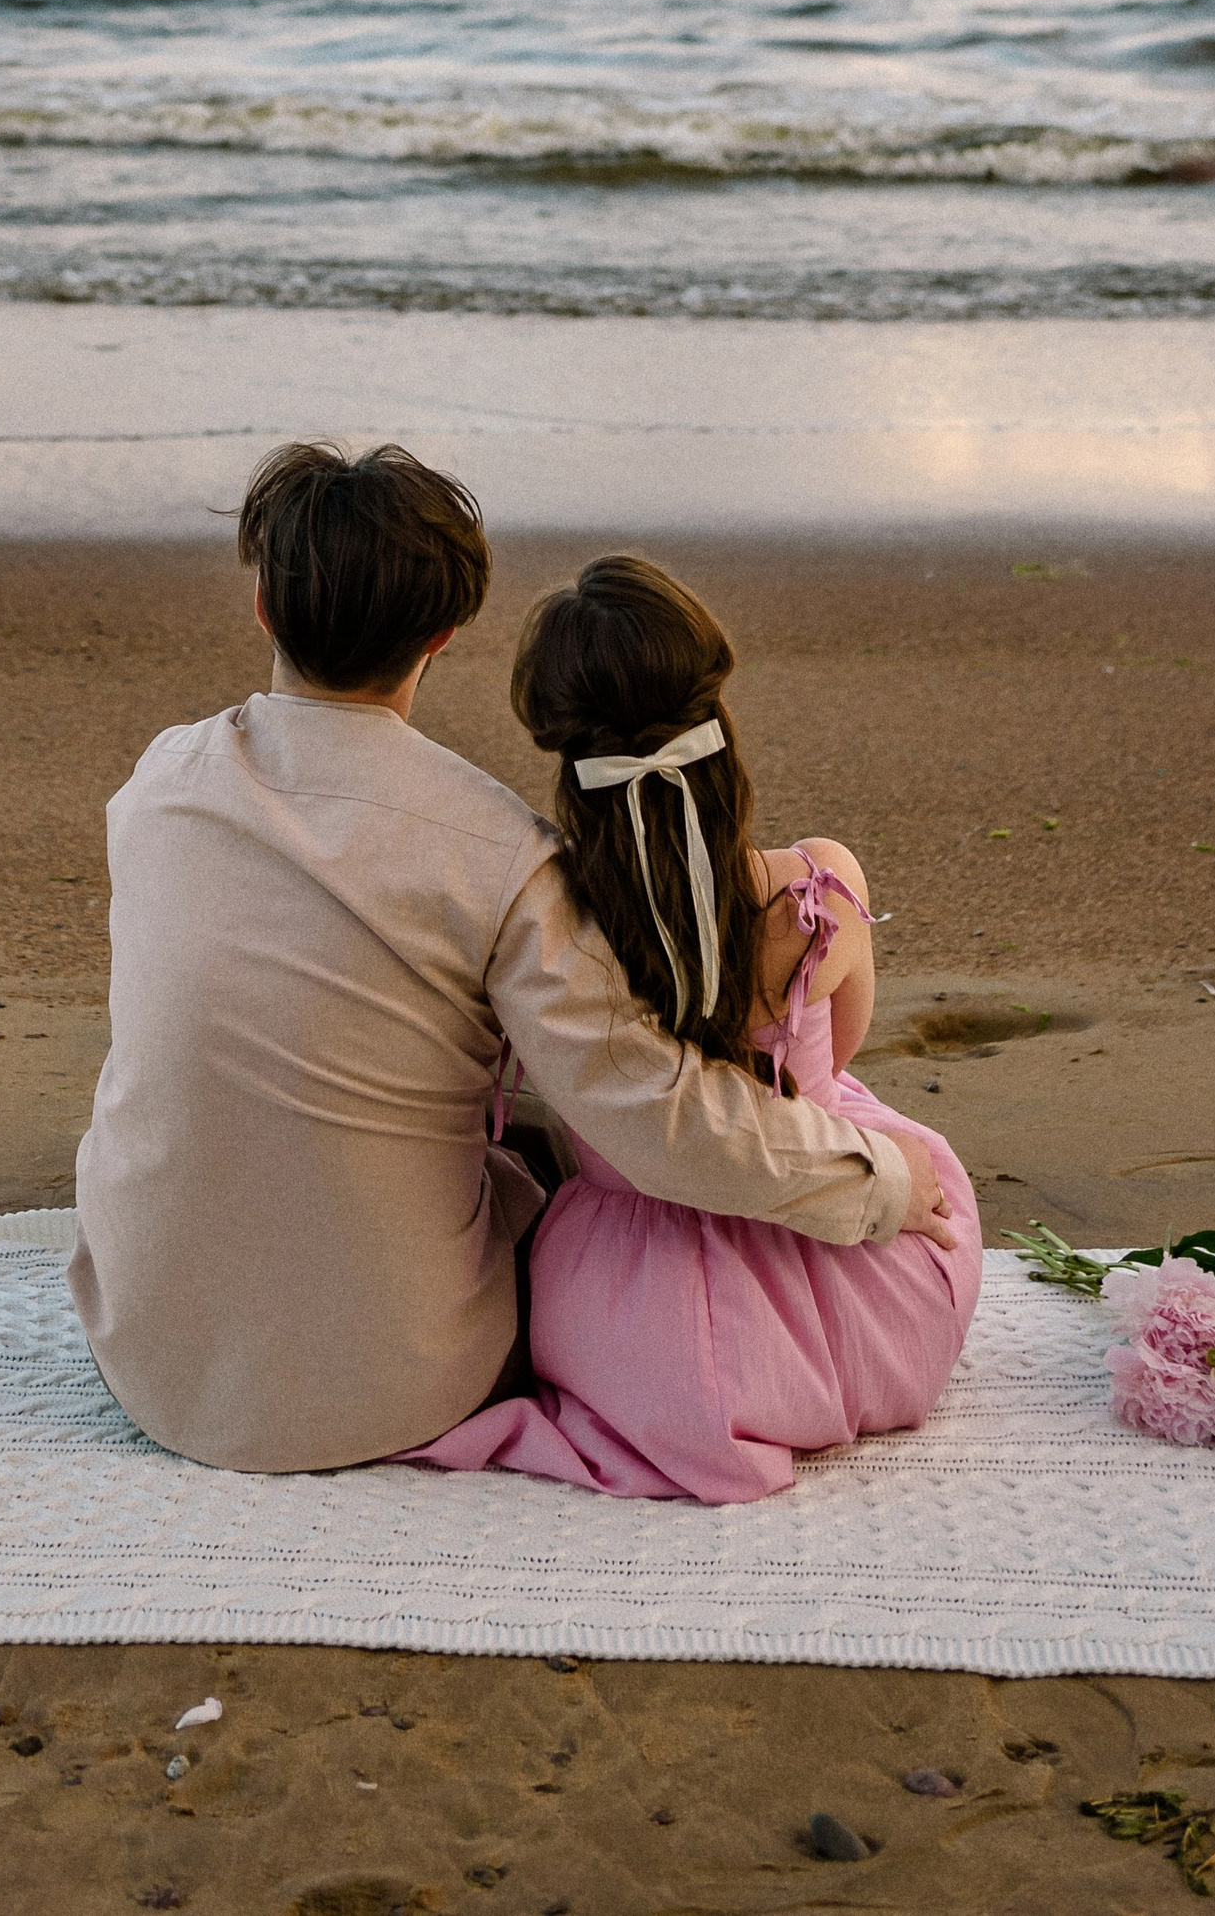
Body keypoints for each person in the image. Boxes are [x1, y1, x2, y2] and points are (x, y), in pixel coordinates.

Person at [68, 443, 958, 1474]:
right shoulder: (500, 853)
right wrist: (879, 1179)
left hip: (146, 1358)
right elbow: (657, 1114)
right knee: (546, 1162)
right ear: (444, 634)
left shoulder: (157, 789)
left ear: (263, 604)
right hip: (399, 1385)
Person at [411, 552, 981, 1500]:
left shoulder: (550, 925)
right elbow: (837, 1055)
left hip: (632, 1318)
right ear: (714, 715)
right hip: (854, 1284)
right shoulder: (816, 884)